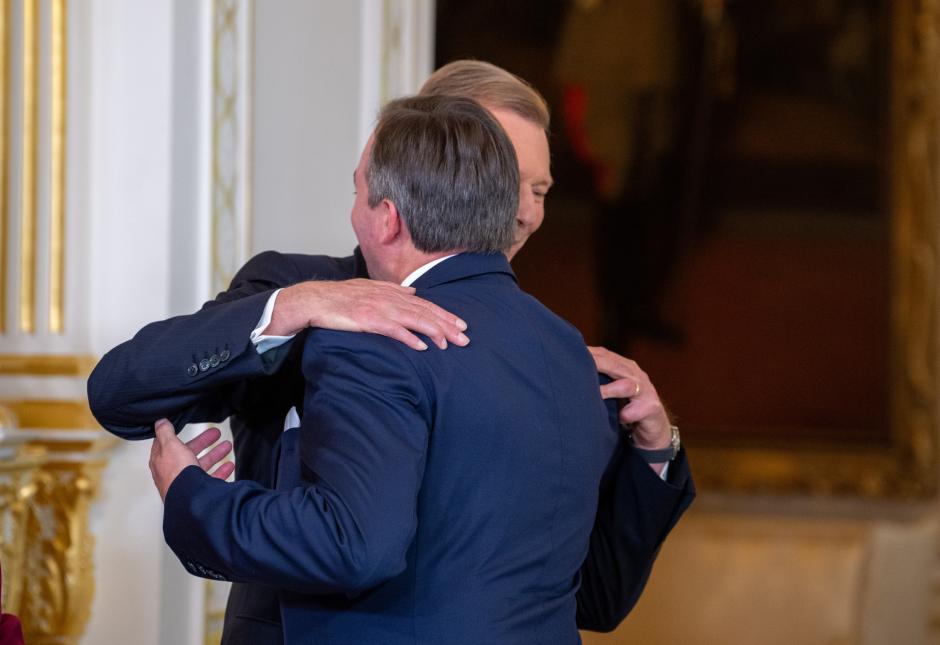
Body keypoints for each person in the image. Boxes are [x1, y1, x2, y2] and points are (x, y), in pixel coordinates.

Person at [88, 61, 694, 643]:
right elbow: (120, 394)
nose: (524, 212)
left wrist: (654, 449)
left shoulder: (550, 349)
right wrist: (297, 307)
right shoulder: (293, 291)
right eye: (500, 173)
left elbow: (595, 597)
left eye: (538, 189)